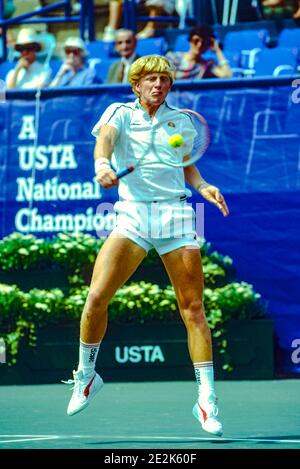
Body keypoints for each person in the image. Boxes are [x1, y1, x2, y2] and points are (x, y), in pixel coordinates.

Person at [66, 55, 229, 437]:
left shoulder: (183, 122)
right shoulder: (119, 113)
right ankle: (87, 376)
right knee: (96, 298)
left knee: (193, 309)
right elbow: (104, 140)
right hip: (133, 216)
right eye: (151, 79)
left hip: (176, 215)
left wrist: (203, 185)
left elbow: (185, 163)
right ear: (136, 84)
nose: (159, 85)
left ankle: (206, 401)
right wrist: (102, 164)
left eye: (165, 80)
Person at [166, 24, 232, 80]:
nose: (199, 45)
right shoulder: (172, 57)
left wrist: (218, 51)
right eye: (196, 40)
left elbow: (227, 76)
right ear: (190, 41)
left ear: (208, 46)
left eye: (203, 43)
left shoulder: (206, 65)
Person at [102, 0, 176, 42]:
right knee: (115, 1)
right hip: (141, 5)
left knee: (155, 2)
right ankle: (111, 30)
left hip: (165, 7)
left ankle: (150, 29)